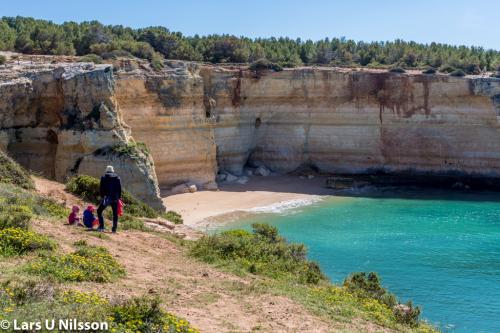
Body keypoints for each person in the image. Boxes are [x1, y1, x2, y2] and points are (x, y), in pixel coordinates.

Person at [97, 165, 122, 233]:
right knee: (115, 214)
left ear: (106, 170)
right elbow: (119, 189)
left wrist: (102, 196)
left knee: (99, 211)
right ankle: (114, 229)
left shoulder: (104, 177)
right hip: (115, 198)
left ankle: (101, 226)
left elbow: (101, 189)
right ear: (113, 170)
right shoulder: (117, 178)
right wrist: (119, 198)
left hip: (107, 198)